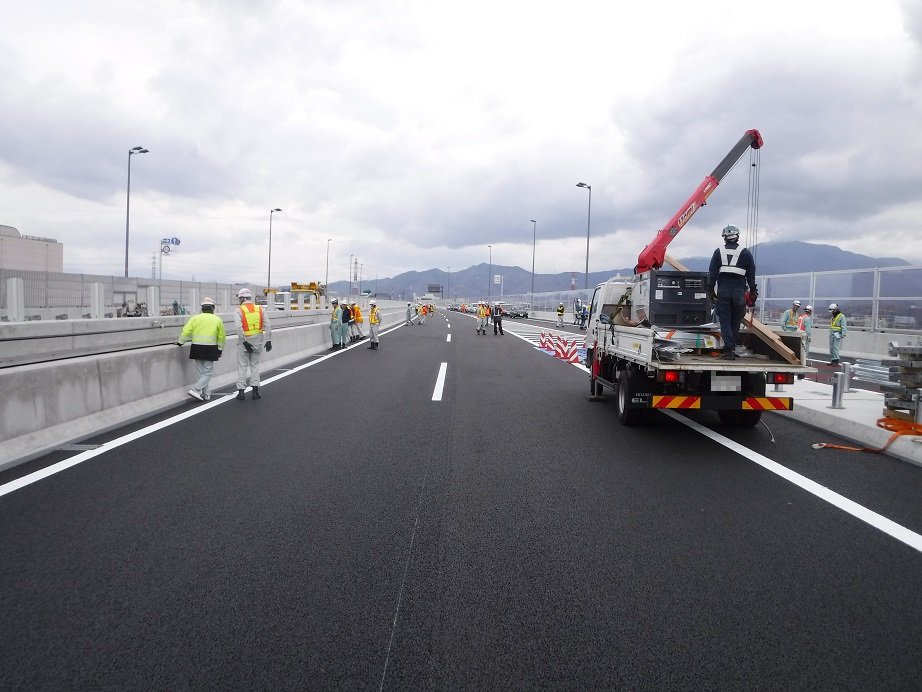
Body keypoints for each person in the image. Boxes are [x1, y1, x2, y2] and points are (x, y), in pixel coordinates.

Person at [706, 224, 757, 360]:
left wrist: (710, 290)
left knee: (725, 321)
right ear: (737, 236)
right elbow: (751, 275)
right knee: (735, 321)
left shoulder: (718, 252)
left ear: (724, 238)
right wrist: (753, 292)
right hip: (739, 293)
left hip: (724, 292)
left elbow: (712, 274)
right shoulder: (746, 253)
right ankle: (732, 347)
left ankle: (729, 351)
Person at [176, 296, 226, 401]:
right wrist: (220, 350)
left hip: (196, 348)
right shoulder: (217, 320)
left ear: (202, 308)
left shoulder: (194, 318)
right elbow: (221, 337)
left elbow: (186, 331)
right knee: (207, 373)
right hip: (210, 349)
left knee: (201, 372)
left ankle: (206, 394)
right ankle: (195, 390)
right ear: (212, 308)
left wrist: (180, 342)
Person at [234, 287, 272, 400]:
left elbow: (238, 327)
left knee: (242, 366)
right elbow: (267, 325)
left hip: (244, 341)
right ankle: (255, 392)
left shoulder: (239, 310)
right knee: (255, 366)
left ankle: (241, 393)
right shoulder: (259, 309)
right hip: (258, 340)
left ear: (242, 298)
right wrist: (269, 340)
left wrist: (245, 341)